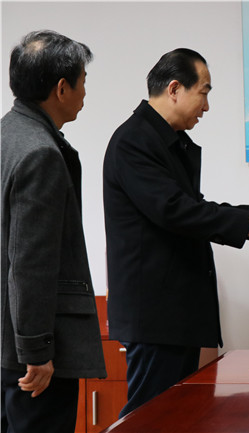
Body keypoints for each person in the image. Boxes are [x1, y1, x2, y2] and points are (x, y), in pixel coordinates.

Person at [103, 48, 249, 417]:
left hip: (174, 312)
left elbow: (190, 206)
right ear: (174, 89)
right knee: (149, 418)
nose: (206, 106)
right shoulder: (134, 141)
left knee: (176, 415)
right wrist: (243, 224)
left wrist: (247, 215)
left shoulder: (166, 141)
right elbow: (172, 210)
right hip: (155, 315)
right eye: (204, 92)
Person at [1, 30, 107, 433]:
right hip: (30, 356)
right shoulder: (40, 153)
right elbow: (31, 262)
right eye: (83, 81)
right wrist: (37, 350)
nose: (85, 93)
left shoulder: (6, 135)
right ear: (62, 88)